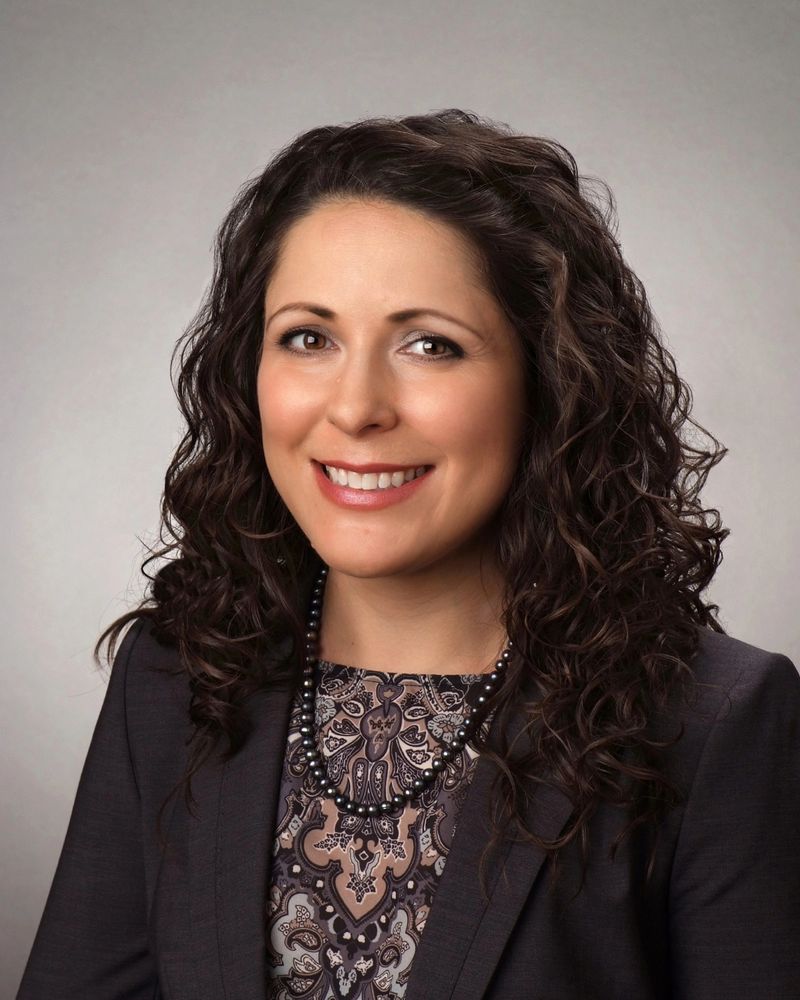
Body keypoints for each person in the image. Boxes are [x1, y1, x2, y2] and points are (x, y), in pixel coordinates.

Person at [16, 109, 800, 1000]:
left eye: (431, 344)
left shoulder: (712, 722)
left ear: (549, 382)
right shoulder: (174, 681)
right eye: (308, 337)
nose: (356, 408)